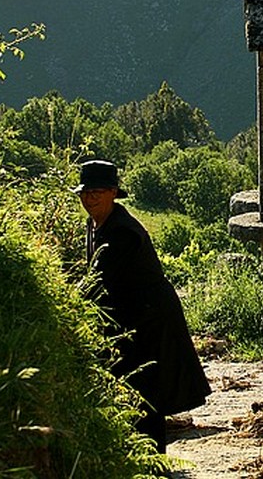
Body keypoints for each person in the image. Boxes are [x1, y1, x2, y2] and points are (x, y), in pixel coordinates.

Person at [74, 159, 211, 454]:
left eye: (97, 191)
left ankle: (153, 464)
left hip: (150, 320)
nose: (90, 198)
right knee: (132, 389)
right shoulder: (96, 224)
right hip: (129, 318)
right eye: (86, 193)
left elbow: (95, 282)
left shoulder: (121, 232)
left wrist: (63, 306)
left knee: (145, 394)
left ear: (113, 192)